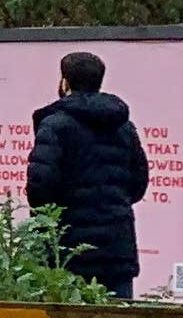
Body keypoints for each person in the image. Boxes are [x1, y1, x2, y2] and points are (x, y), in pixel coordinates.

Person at [27, 49, 151, 297]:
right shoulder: (124, 127)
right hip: (117, 246)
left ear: (65, 82)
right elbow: (138, 183)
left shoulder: (54, 125)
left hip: (67, 247)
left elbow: (40, 187)